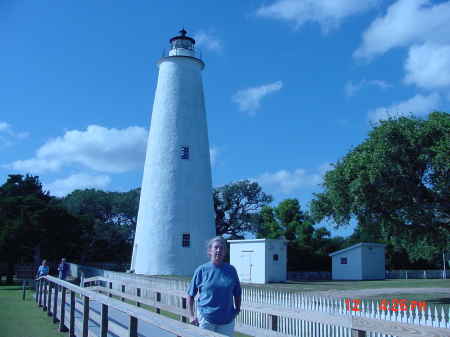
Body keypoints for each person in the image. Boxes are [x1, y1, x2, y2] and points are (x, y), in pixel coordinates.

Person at [187, 236, 241, 337]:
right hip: (206, 318)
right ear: (210, 250)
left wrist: (237, 309)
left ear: (225, 252)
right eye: (216, 247)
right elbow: (190, 295)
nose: (218, 250)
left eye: (222, 248)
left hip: (227, 320)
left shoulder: (231, 270)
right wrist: (191, 316)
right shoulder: (201, 270)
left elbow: (237, 292)